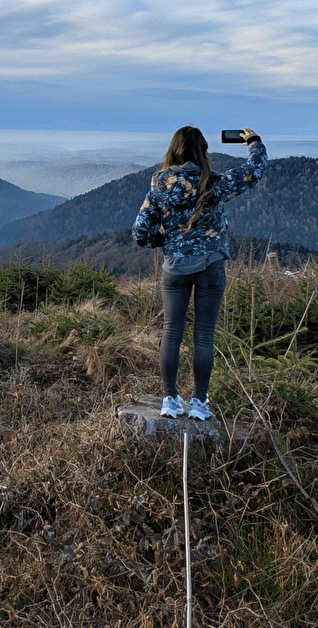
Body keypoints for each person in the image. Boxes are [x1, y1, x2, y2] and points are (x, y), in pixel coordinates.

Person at [132, 126, 267, 420]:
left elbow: (140, 232)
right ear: (202, 151)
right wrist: (253, 141)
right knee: (203, 336)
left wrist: (166, 242)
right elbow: (254, 171)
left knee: (171, 333)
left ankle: (169, 399)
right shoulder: (213, 183)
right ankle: (199, 403)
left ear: (173, 150)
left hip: (175, 269)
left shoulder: (159, 184)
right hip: (211, 266)